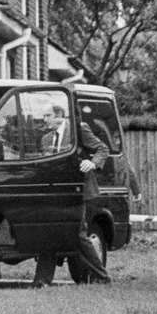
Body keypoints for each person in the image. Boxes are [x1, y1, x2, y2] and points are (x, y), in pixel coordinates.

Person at [32, 112, 112, 287]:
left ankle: (101, 276)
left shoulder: (79, 129)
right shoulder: (45, 139)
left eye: (48, 115)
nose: (44, 119)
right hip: (55, 193)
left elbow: (102, 149)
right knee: (50, 232)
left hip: (77, 191)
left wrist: (93, 163)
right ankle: (42, 280)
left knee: (78, 235)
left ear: (60, 114)